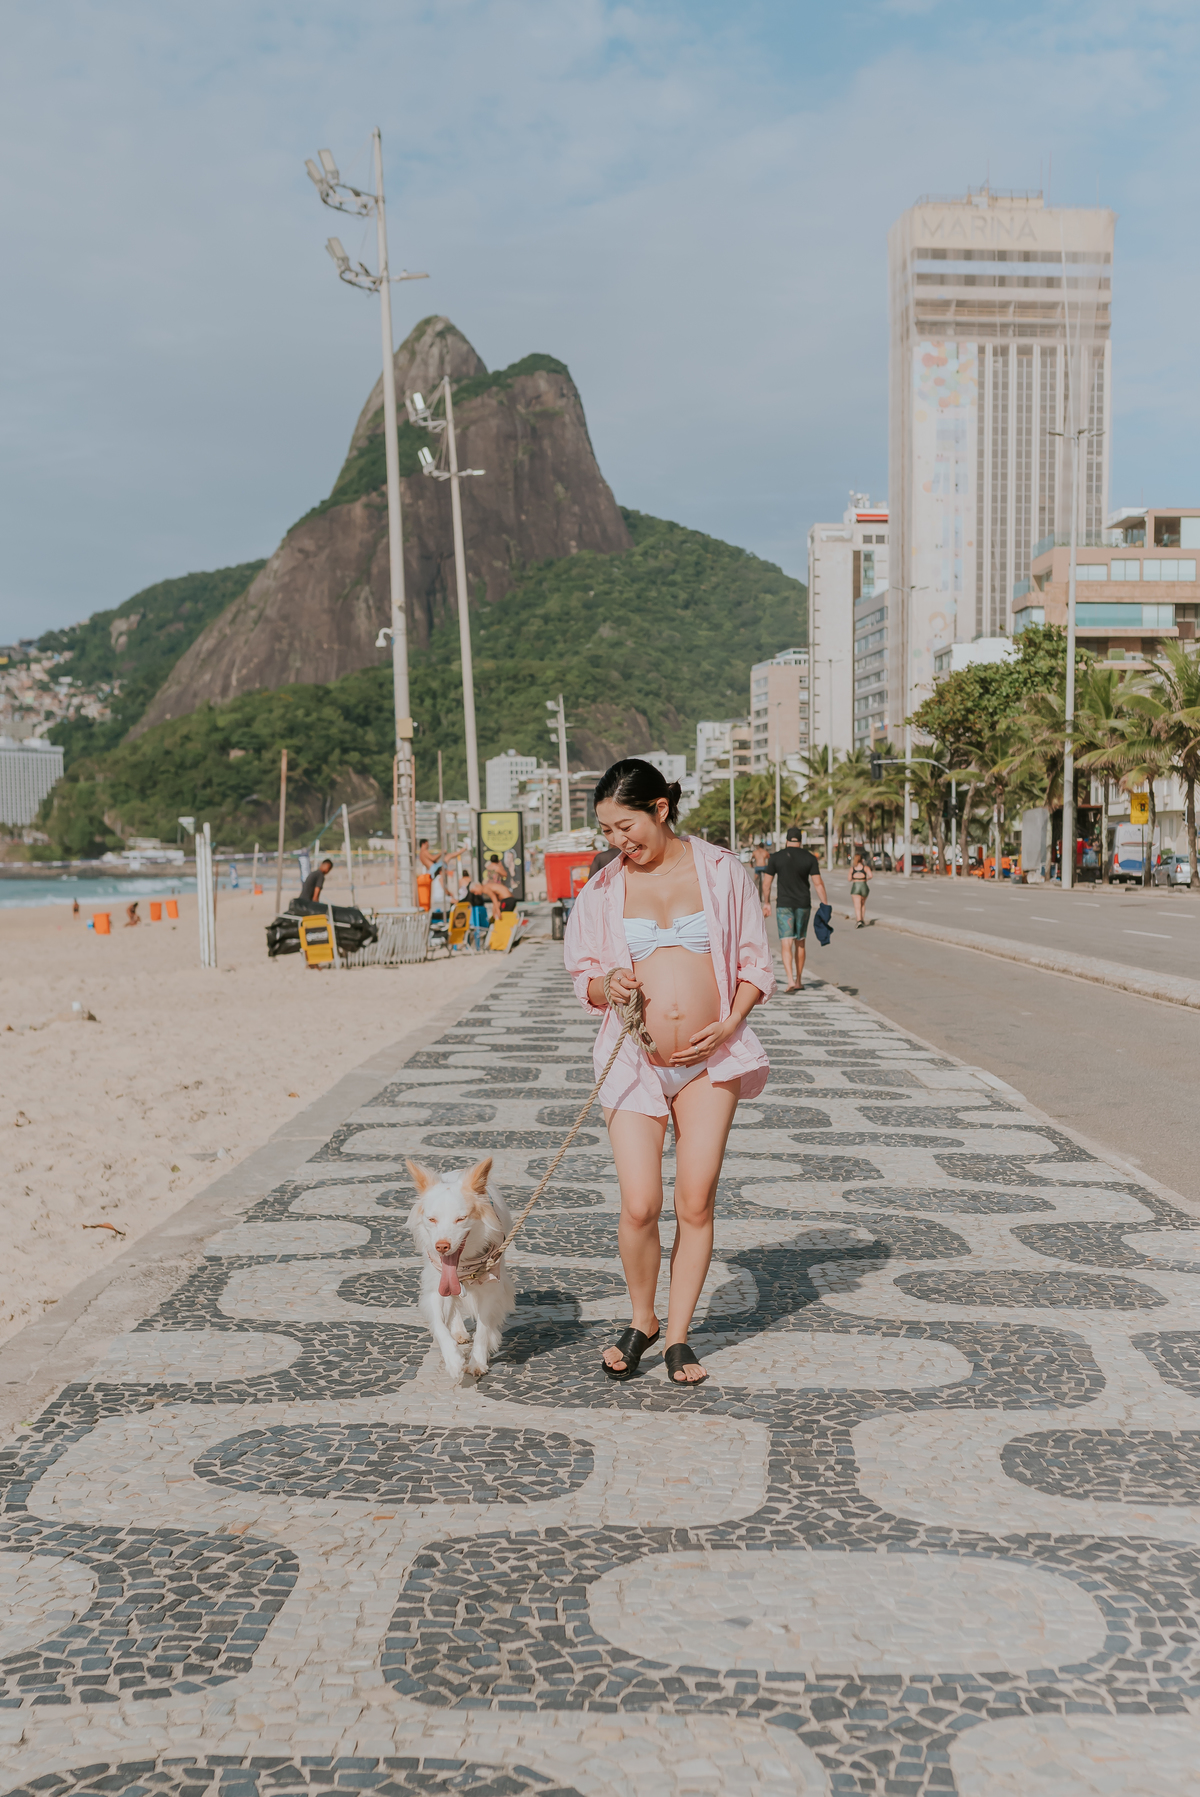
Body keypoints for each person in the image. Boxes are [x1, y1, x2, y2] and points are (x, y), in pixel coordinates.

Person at [565, 758, 773, 1388]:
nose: (617, 843)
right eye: (606, 831)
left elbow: (754, 962)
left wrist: (731, 1021)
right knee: (639, 1204)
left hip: (712, 1061)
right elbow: (583, 976)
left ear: (660, 808)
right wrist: (608, 984)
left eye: (625, 826)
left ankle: (678, 1335)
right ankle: (641, 1317)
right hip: (633, 1058)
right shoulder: (601, 890)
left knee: (695, 1199)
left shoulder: (720, 871)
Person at [760, 827, 828, 993]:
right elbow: (818, 883)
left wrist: (767, 902)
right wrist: (825, 903)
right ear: (801, 841)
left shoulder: (776, 857)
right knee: (800, 942)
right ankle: (798, 980)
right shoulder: (810, 858)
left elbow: (767, 883)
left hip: (784, 904)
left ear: (786, 840)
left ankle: (789, 980)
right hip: (803, 904)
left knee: (786, 942)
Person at [849, 844, 873, 927]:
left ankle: (859, 920)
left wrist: (854, 877)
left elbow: (849, 879)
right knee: (862, 904)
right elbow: (871, 876)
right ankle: (862, 919)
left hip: (856, 886)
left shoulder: (852, 868)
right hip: (864, 885)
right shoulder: (865, 868)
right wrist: (865, 879)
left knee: (857, 904)